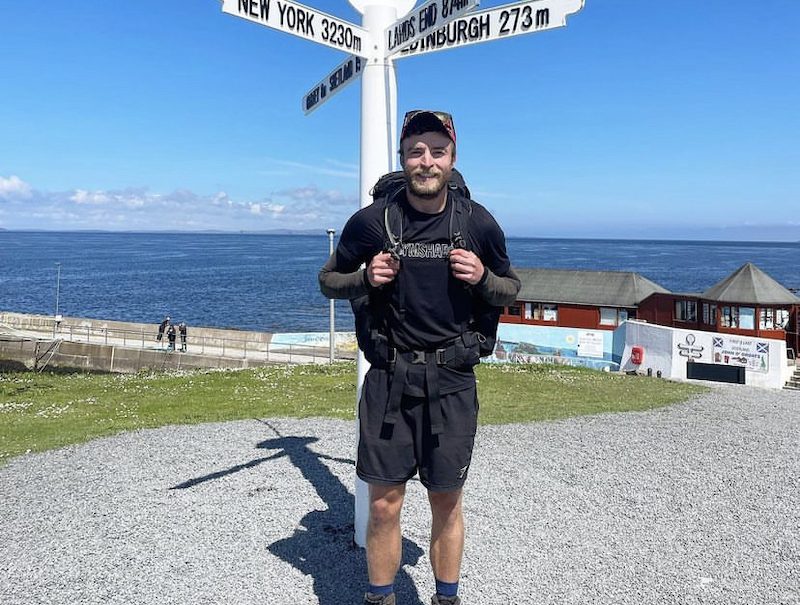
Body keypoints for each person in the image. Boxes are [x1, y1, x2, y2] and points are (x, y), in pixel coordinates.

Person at [319, 110, 520, 605]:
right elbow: (328, 280)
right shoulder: (371, 222)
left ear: (452, 158)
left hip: (452, 381)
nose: (426, 161)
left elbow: (510, 289)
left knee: (446, 502)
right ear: (403, 158)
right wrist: (366, 278)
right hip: (389, 378)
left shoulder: (478, 222)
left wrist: (481, 278)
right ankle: (381, 597)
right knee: (384, 505)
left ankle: (446, 599)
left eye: (437, 150)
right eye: (416, 151)